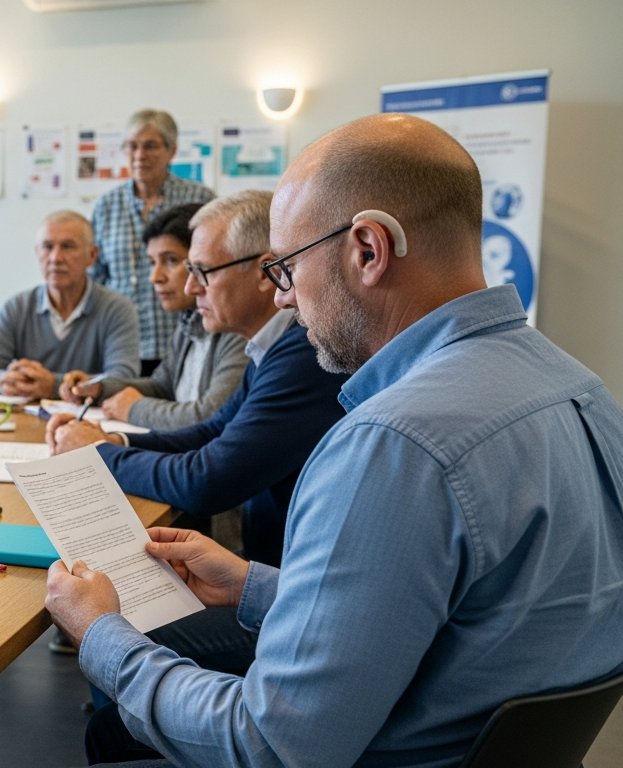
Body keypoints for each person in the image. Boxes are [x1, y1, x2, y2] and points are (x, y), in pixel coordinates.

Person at [50, 114, 623, 768]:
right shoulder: (584, 391)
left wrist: (103, 636)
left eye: (288, 268)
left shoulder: (392, 445)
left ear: (369, 250)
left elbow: (268, 745)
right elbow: (443, 614)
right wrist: (252, 585)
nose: (284, 299)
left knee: (115, 729)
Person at [49, 190, 347, 568]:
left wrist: (98, 453)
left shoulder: (303, 353)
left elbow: (205, 483)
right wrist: (114, 440)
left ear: (264, 273)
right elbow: (212, 431)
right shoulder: (272, 345)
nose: (191, 287)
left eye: (202, 271)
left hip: (284, 579)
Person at [62, 203, 249, 431]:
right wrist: (100, 389)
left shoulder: (237, 326)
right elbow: (162, 387)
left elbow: (210, 416)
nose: (155, 277)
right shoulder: (190, 321)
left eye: (170, 260)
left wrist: (133, 408)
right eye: (152, 263)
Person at [91, 110, 215, 377]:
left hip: (184, 340)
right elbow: (96, 277)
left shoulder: (200, 199)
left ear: (171, 152)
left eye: (150, 146)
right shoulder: (106, 206)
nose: (139, 155)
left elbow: (214, 268)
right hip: (122, 346)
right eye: (132, 146)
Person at [0, 211, 139, 399]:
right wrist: (3, 381)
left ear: (92, 255)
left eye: (68, 247)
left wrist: (54, 386)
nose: (55, 258)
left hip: (87, 417)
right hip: (26, 416)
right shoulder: (17, 308)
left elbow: (124, 379)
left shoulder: (117, 309)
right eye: (47, 247)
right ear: (37, 252)